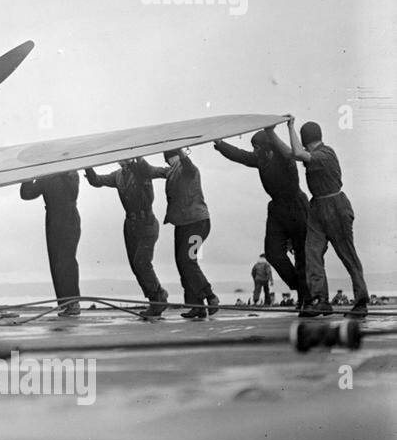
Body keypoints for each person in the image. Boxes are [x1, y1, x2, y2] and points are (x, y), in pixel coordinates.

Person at [267, 119, 369, 318]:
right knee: (312, 253)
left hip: (335, 207)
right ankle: (320, 300)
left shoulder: (325, 154)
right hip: (317, 208)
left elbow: (295, 153)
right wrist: (271, 133)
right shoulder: (312, 154)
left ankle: (362, 300)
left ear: (305, 139)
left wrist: (289, 126)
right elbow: (290, 153)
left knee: (347, 254)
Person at [212, 130, 309, 307]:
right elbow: (240, 156)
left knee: (301, 255)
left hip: (296, 206)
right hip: (277, 208)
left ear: (267, 146)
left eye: (257, 148)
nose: (254, 151)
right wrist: (220, 144)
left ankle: (306, 295)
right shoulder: (260, 159)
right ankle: (300, 286)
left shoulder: (285, 157)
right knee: (273, 253)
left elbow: (290, 152)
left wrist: (271, 132)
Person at [83, 159, 169, 318]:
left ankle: (159, 295)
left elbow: (162, 172)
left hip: (147, 223)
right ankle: (155, 300)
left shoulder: (142, 169)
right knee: (136, 266)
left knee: (141, 262)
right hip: (130, 225)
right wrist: (87, 166)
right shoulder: (118, 176)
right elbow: (96, 181)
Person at [155, 148, 218, 320]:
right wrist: (136, 160)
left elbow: (188, 165)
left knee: (187, 260)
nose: (168, 163)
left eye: (168, 159)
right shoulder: (170, 172)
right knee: (184, 263)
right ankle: (196, 306)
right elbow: (150, 170)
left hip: (198, 224)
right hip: (183, 225)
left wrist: (182, 151)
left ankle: (210, 296)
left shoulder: (189, 169)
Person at [19, 171, 82, 316]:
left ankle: (72, 303)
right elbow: (27, 194)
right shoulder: (47, 175)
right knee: (56, 263)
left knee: (67, 261)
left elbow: (73, 190)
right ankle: (65, 303)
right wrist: (30, 174)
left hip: (68, 217)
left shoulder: (70, 172)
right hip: (53, 220)